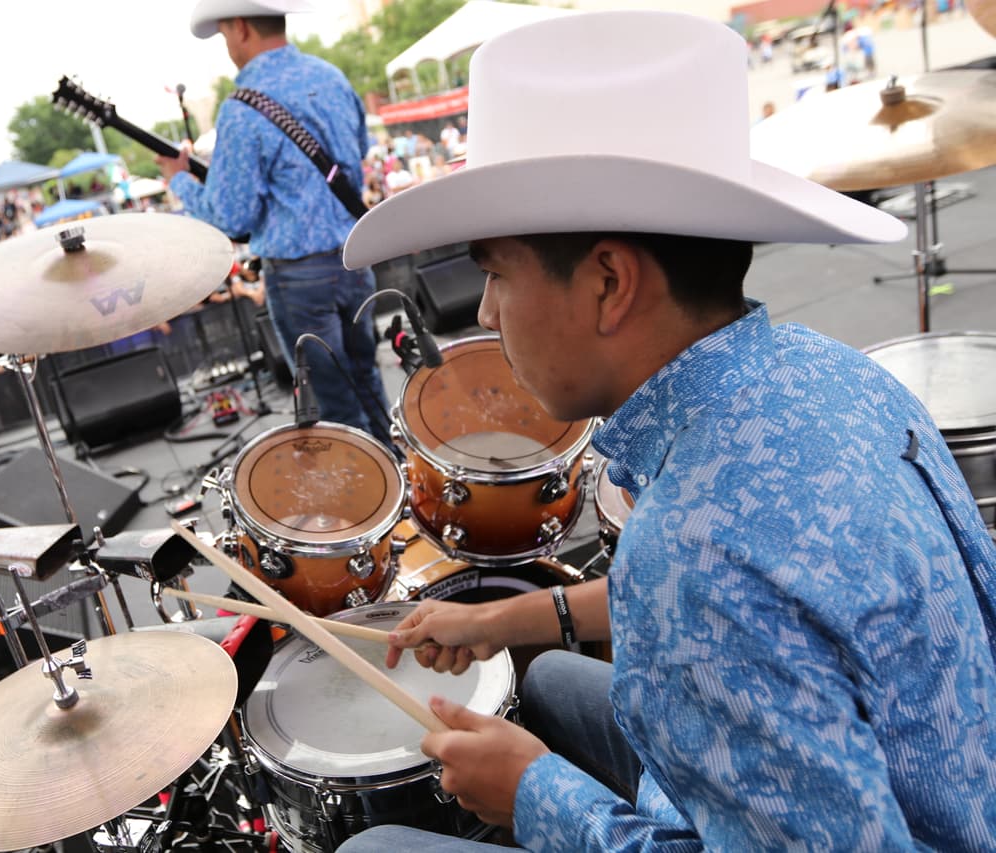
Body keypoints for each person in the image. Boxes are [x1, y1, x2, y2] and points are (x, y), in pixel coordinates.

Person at [336, 11, 996, 851]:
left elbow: (715, 589)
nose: (491, 310)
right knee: (548, 686)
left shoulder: (692, 557)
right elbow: (771, 600)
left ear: (610, 281)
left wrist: (538, 797)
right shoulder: (838, 370)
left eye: (497, 273)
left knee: (374, 847)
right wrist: (498, 621)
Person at [157, 0, 391, 444]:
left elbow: (231, 216)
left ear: (241, 27)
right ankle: (398, 484)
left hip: (300, 279)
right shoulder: (331, 77)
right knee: (369, 383)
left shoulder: (243, 108)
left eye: (225, 35)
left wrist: (181, 181)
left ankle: (369, 501)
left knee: (334, 404)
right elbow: (355, 153)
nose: (228, 46)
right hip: (356, 257)